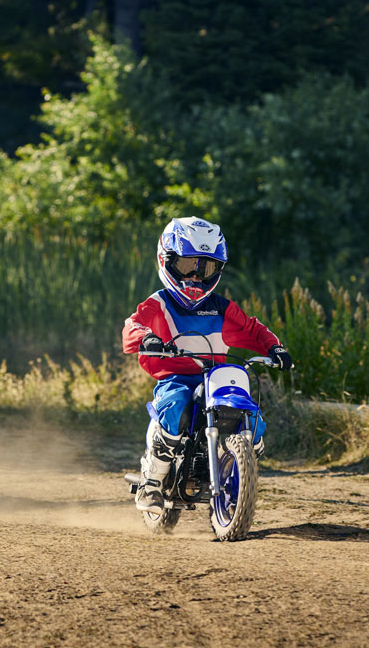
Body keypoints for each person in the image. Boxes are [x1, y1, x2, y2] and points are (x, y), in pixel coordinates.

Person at [121, 216, 293, 515]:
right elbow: (133, 325)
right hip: (176, 377)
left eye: (207, 268)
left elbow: (253, 329)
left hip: (218, 378)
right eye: (189, 266)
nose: (196, 277)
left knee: (253, 415)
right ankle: (152, 482)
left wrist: (274, 348)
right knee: (175, 404)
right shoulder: (158, 304)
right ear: (167, 260)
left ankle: (241, 465)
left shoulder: (223, 308)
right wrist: (147, 339)